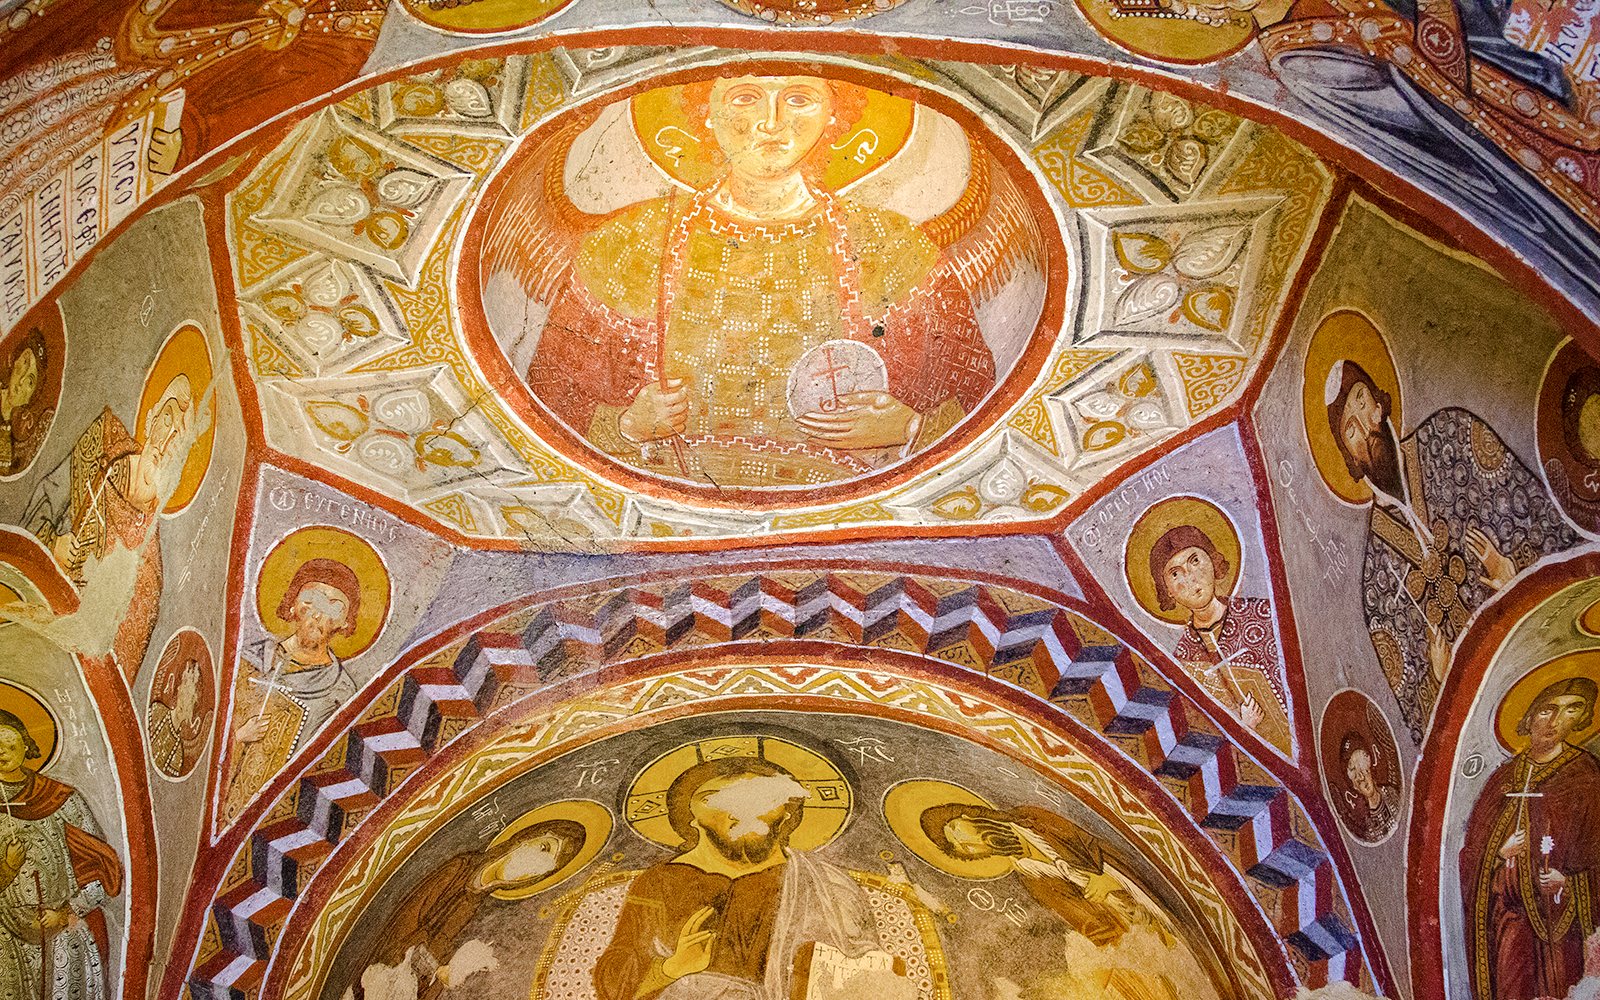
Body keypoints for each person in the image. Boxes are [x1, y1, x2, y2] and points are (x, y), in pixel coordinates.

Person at [524, 75, 996, 488]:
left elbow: (976, 395)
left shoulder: (891, 244)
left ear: (834, 116)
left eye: (799, 99)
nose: (771, 122)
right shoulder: (630, 240)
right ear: (705, 112)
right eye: (746, 97)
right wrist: (627, 425)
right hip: (666, 493)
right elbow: (549, 394)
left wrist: (909, 428)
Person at [1325, 360, 1578, 744]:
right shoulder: (1376, 580)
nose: (1365, 426)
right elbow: (1421, 727)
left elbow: (1548, 521)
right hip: (1488, 713)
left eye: (1362, 402)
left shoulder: (1451, 435)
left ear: (1379, 403)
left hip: (1546, 649)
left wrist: (1515, 571)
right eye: (1350, 430)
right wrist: (1439, 678)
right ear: (1349, 458)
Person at [593, 753, 912, 1000]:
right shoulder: (660, 882)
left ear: (787, 814)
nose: (738, 807)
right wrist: (672, 968)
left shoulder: (829, 885)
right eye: (714, 797)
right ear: (690, 817)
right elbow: (613, 982)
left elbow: (870, 973)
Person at [18, 373, 201, 677]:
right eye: (167, 419)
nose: (165, 441)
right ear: (152, 418)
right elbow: (45, 499)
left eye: (178, 438)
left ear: (180, 461)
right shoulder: (103, 443)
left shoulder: (148, 571)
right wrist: (51, 543)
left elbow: (111, 672)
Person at [1460, 677, 1600, 1000]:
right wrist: (1499, 853)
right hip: (1511, 921)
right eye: (1547, 710)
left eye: (1571, 710)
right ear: (1530, 715)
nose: (1555, 722)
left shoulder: (1586, 776)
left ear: (1582, 719)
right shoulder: (1502, 780)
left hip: (1562, 928)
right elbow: (1470, 856)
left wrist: (1568, 883)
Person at [351, 819, 584, 1000]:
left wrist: (448, 974)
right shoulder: (460, 867)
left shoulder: (485, 906)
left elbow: (440, 974)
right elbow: (406, 920)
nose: (538, 862)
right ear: (526, 839)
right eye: (544, 847)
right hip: (385, 968)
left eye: (547, 866)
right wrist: (427, 960)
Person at [918, 802, 1172, 948]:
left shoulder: (1031, 819)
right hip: (1134, 921)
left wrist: (1107, 878)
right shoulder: (1032, 880)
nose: (967, 843)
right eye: (961, 848)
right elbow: (1084, 920)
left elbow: (1097, 842)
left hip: (1141, 887)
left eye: (955, 829)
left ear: (966, 815)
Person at [223, 558, 361, 820]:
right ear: (293, 604)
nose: (318, 615)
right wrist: (239, 735)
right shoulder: (250, 660)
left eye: (333, 608)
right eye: (312, 600)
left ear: (344, 622)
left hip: (279, 812)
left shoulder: (340, 692)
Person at [0, 710, 123, 1000]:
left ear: (27, 745)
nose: (2, 752)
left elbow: (101, 866)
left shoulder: (60, 798)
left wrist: (65, 913)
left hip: (59, 934)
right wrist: (8, 866)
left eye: (10, 744)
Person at [1150, 524, 1292, 749]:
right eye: (1175, 573)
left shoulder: (1261, 615)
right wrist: (1245, 727)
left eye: (1195, 561)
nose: (1190, 578)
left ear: (1213, 561)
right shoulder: (1183, 659)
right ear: (1167, 590)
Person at [147, 655, 210, 779]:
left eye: (193, 696)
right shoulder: (157, 712)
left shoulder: (178, 753)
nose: (190, 700)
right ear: (179, 688)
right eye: (186, 686)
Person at [1339, 733, 1400, 842]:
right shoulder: (1368, 826)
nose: (1362, 778)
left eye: (1363, 770)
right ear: (1354, 786)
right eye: (1357, 779)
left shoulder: (1392, 794)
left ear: (1369, 765)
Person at [0, 330, 44, 474]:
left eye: (30, 381)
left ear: (31, 397)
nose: (21, 380)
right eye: (25, 362)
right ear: (14, 362)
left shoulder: (14, 438)